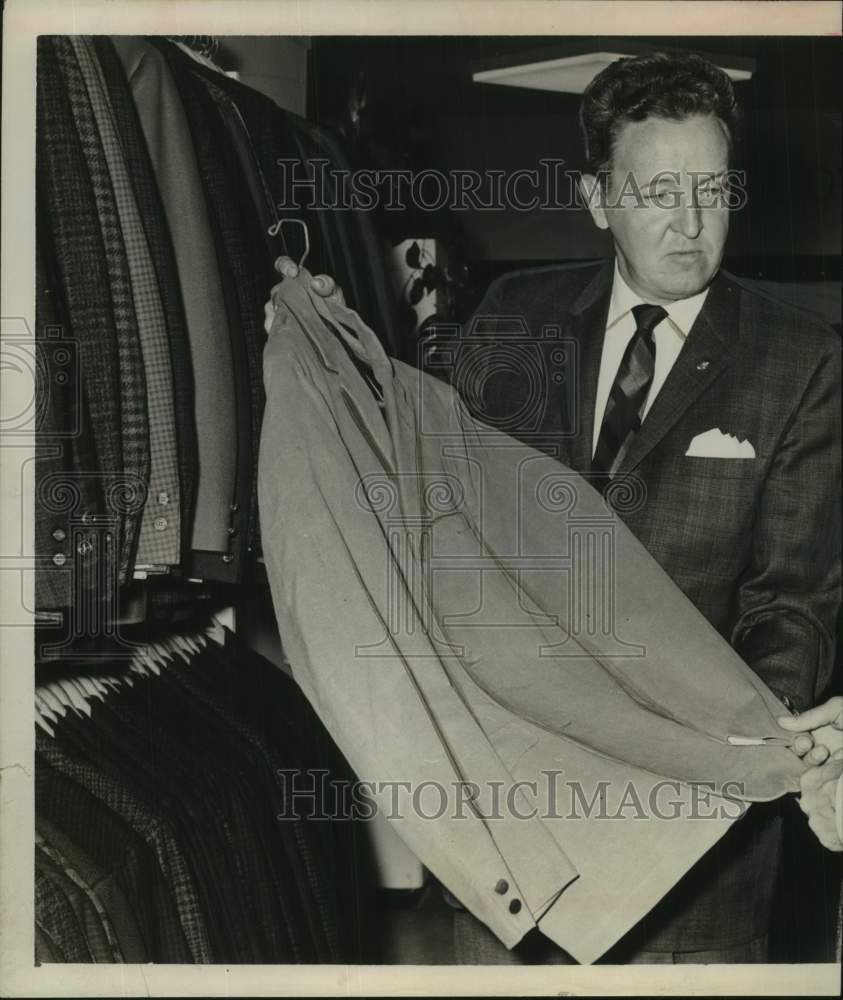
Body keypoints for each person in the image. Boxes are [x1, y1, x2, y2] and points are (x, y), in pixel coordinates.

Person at [264, 51, 841, 962]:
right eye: (656, 191)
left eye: (712, 189)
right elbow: (430, 507)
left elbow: (790, 603)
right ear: (595, 199)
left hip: (694, 840)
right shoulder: (509, 318)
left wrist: (737, 752)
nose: (690, 224)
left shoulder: (802, 358)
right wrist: (326, 368)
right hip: (515, 817)